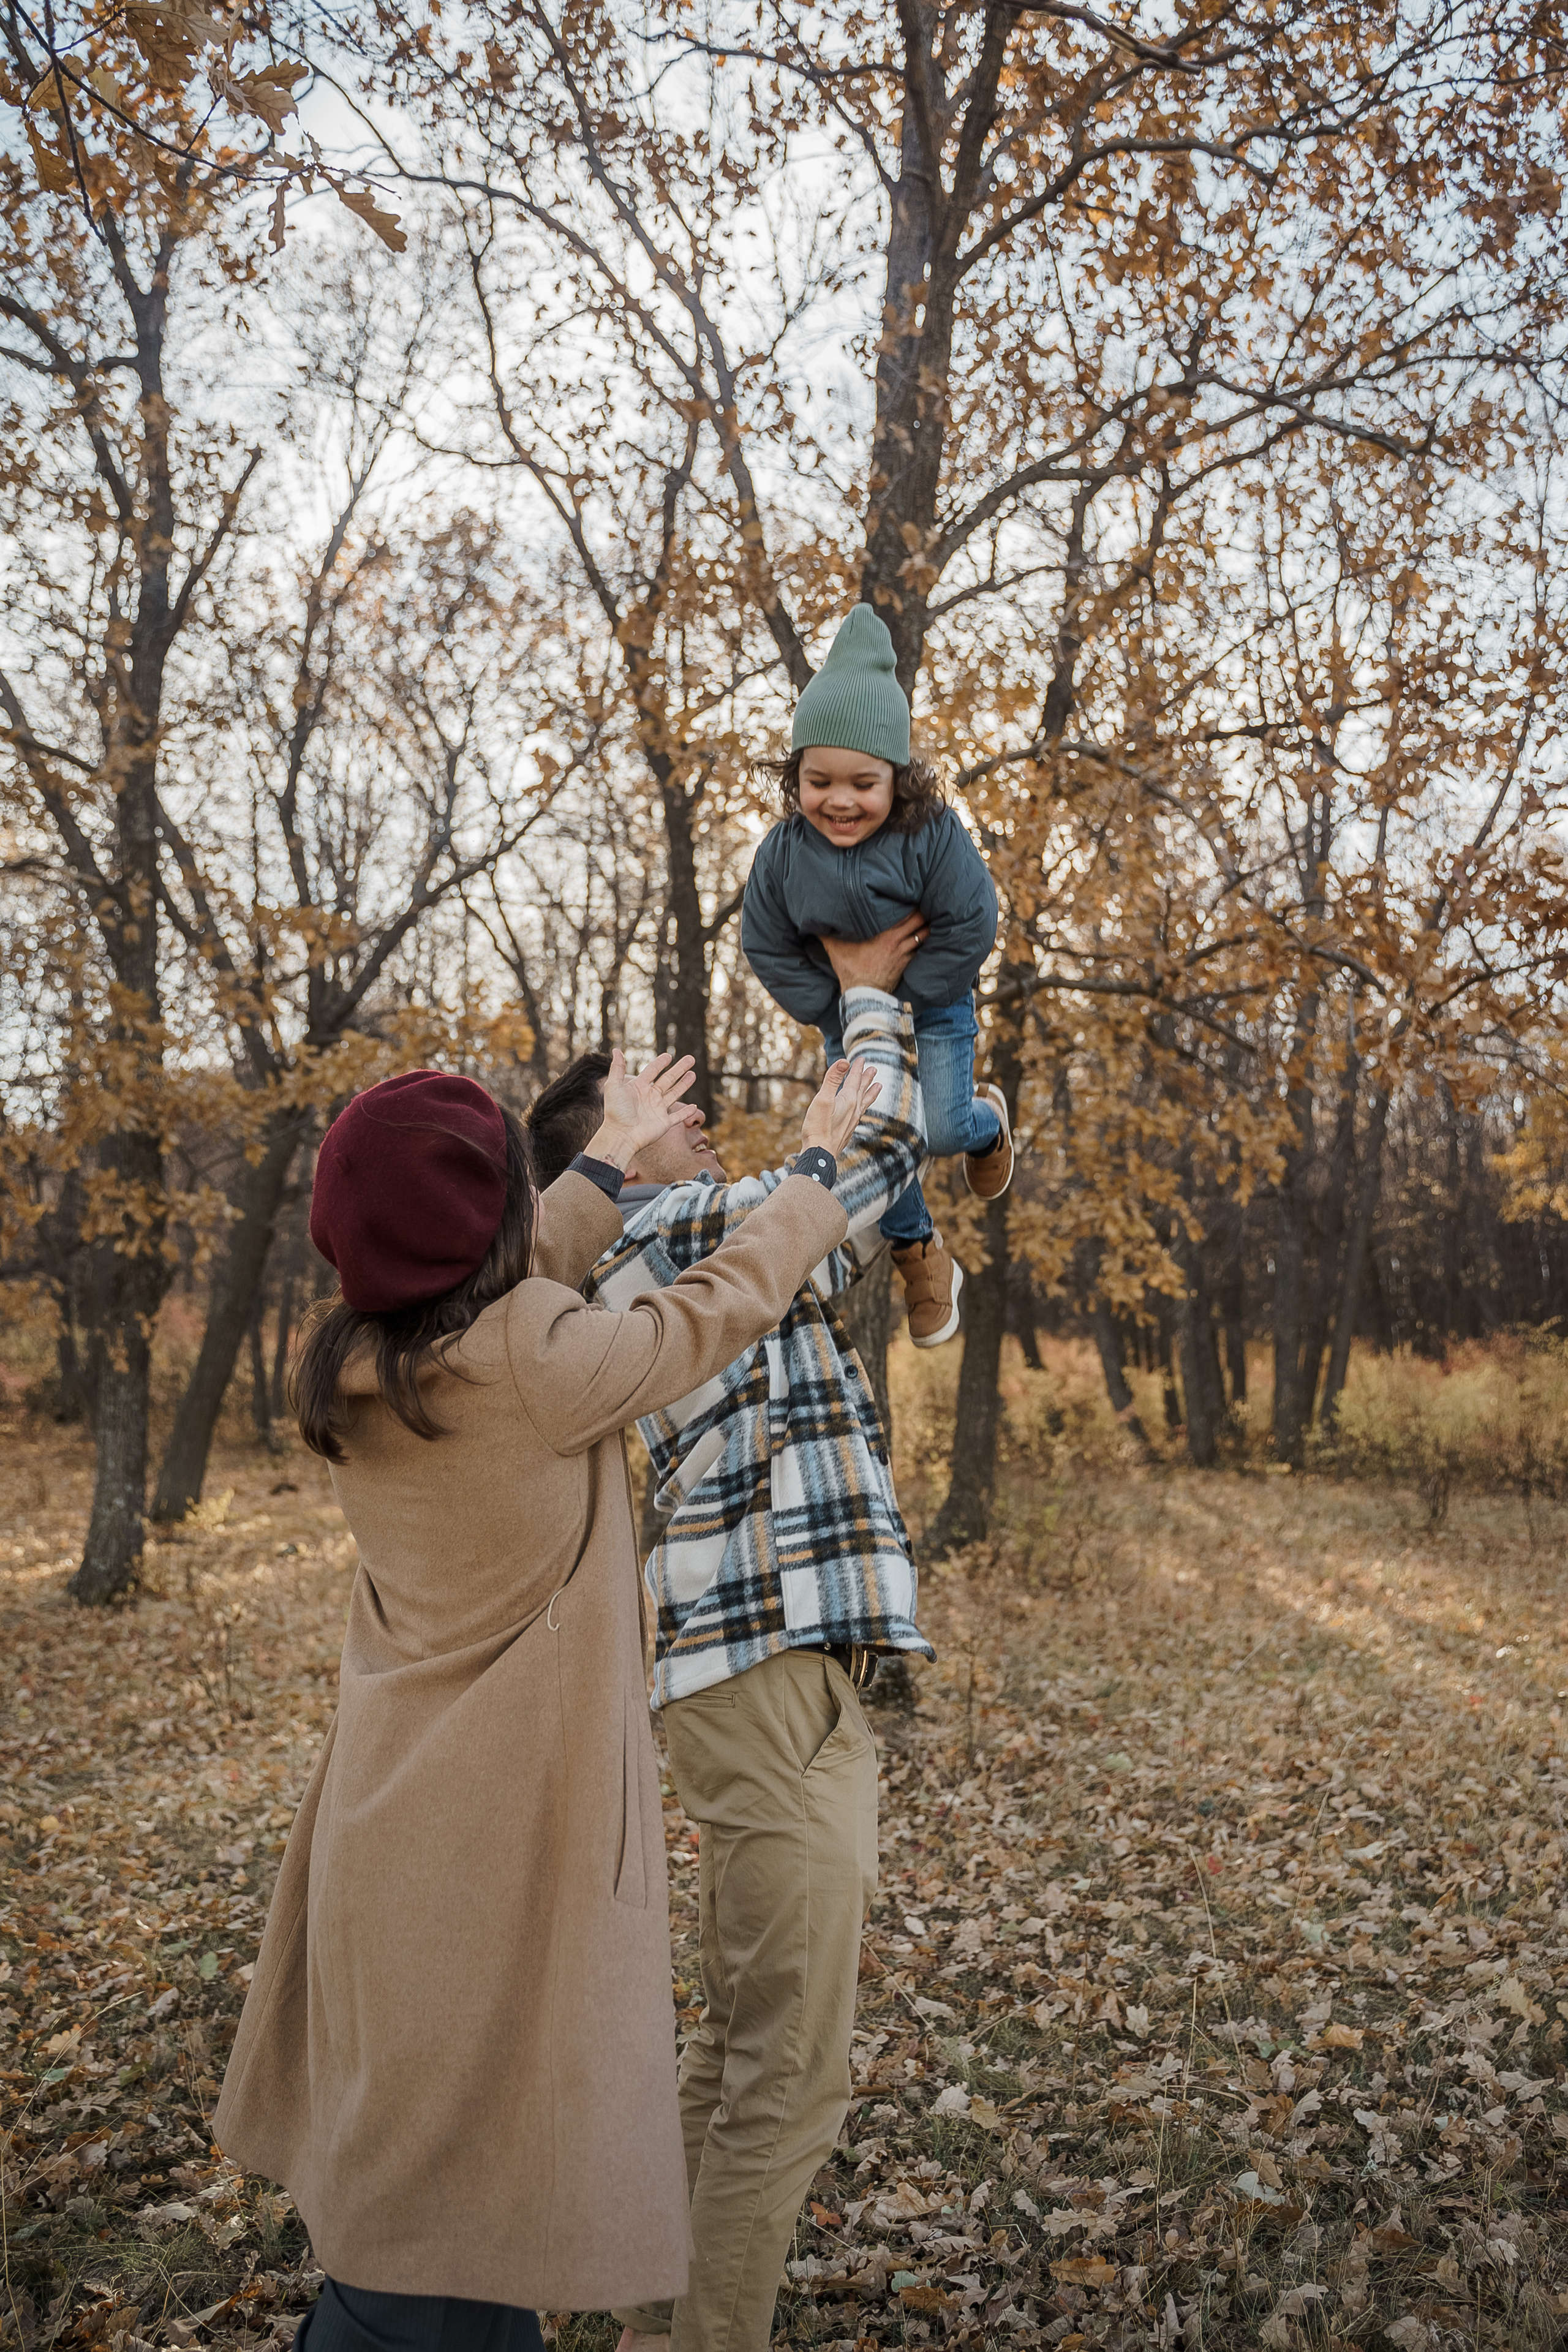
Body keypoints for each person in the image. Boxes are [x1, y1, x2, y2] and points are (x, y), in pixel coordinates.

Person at [212, 1046, 879, 2352]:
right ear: (496, 1227)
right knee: (420, 2260)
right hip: (498, 1847)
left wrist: (603, 1157)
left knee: (442, 2208)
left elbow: (511, 1270)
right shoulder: (535, 1356)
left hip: (386, 1827)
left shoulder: (360, 1356)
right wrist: (812, 1175)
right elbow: (715, 1306)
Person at [526, 931, 936, 2352]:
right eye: (650, 1102)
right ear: (604, 1166)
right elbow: (883, 1136)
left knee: (736, 2057)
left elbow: (884, 1211)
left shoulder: (682, 1245)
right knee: (786, 2082)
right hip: (764, 1683)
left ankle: (656, 2326)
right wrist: (874, 978)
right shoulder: (672, 1232)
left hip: (764, 1681)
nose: (688, 1108)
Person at [740, 603, 1014, 1348]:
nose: (839, 800)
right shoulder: (783, 855)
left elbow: (972, 920)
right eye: (818, 780)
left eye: (863, 782)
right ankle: (918, 1253)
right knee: (868, 1140)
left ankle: (987, 1127)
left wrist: (902, 992)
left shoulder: (930, 834)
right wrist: (840, 1001)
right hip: (848, 1018)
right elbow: (763, 942)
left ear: (897, 780)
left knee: (943, 1130)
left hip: (937, 1003)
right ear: (793, 776)